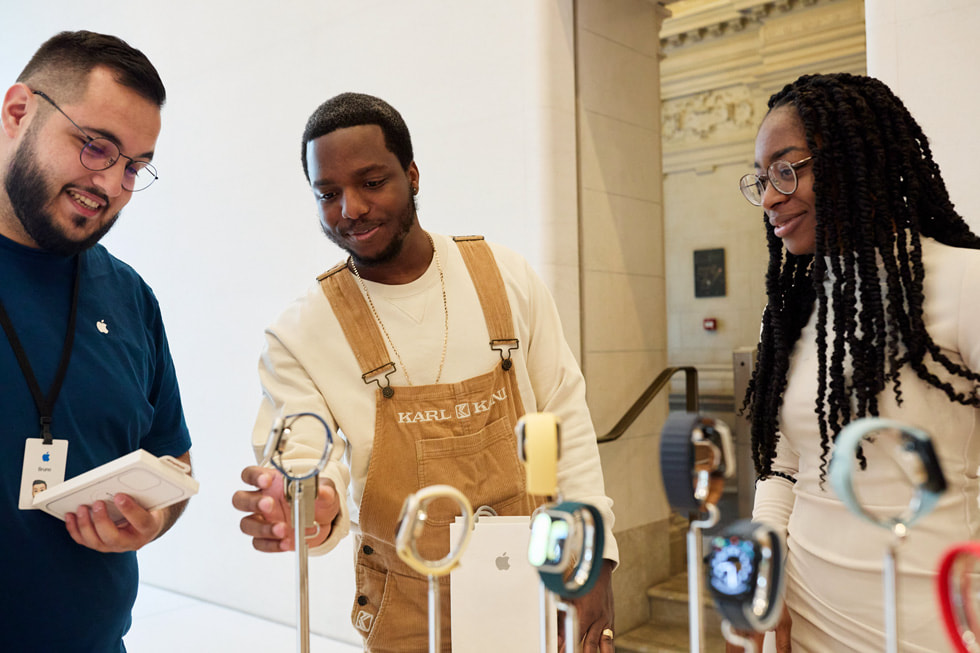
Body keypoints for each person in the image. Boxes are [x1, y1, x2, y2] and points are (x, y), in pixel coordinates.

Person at [232, 92, 618, 652]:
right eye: (328, 193)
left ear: (412, 175)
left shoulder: (503, 276)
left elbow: (565, 421)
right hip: (406, 610)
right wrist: (312, 505)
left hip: (538, 587)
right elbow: (307, 459)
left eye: (371, 181)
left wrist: (594, 559)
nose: (351, 208)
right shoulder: (300, 332)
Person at [738, 72, 980, 652]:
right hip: (804, 615)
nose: (770, 196)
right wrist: (762, 583)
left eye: (787, 169)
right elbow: (783, 467)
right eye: (762, 179)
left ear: (850, 161)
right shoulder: (790, 311)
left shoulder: (966, 282)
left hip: (935, 624)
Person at [0, 31, 193, 652]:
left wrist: (152, 518)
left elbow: (174, 466)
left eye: (134, 166)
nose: (112, 184)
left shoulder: (131, 299)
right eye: (95, 147)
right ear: (17, 112)